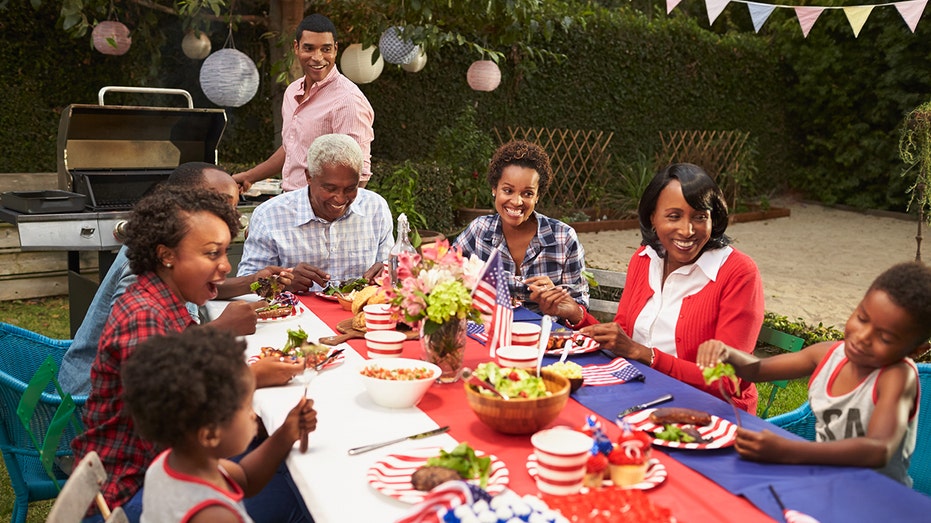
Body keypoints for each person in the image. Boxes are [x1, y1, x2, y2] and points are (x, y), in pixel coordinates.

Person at [71, 186, 309, 523]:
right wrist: (251, 380)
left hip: (155, 469)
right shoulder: (144, 317)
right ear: (167, 255)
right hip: (131, 492)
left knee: (276, 456)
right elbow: (184, 413)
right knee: (302, 491)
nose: (227, 266)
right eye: (212, 254)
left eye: (227, 252)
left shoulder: (162, 299)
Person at [59, 162, 297, 397]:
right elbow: (140, 371)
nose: (230, 216)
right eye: (221, 203)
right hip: (88, 397)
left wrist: (252, 281)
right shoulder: (141, 280)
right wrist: (222, 332)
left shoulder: (172, 256)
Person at [697, 262, 931, 485]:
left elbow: (879, 449)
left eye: (885, 338)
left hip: (877, 497)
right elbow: (757, 370)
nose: (863, 337)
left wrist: (789, 450)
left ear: (916, 351)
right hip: (827, 480)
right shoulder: (826, 354)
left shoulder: (897, 377)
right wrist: (727, 352)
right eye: (862, 318)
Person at [576, 163, 764, 413]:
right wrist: (577, 316)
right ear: (652, 217)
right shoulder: (645, 257)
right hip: (640, 393)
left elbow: (727, 380)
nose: (687, 231)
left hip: (711, 412)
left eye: (699, 217)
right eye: (674, 216)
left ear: (714, 218)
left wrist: (646, 355)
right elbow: (622, 337)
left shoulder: (738, 273)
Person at [122, 328, 317, 523]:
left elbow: (246, 479)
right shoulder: (215, 516)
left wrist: (285, 434)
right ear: (210, 435)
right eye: (247, 406)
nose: (253, 415)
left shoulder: (172, 463)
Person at [452, 140, 590, 325]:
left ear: (538, 195)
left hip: (543, 341)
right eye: (508, 190)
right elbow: (446, 275)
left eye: (527, 193)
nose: (516, 201)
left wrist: (561, 303)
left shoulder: (563, 238)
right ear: (494, 189)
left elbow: (580, 308)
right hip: (485, 334)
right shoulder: (479, 230)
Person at [233, 14, 375, 192]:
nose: (317, 57)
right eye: (309, 48)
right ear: (296, 48)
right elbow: (292, 148)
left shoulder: (348, 101)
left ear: (335, 50)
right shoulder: (292, 91)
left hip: (322, 214)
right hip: (288, 202)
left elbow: (358, 174)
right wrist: (249, 177)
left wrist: (325, 215)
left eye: (326, 49)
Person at [237, 133, 393, 293]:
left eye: (350, 188)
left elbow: (391, 269)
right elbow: (248, 283)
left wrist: (387, 272)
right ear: (309, 177)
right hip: (295, 317)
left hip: (359, 316)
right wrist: (283, 282)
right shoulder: (269, 215)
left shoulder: (375, 208)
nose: (340, 199)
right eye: (330, 189)